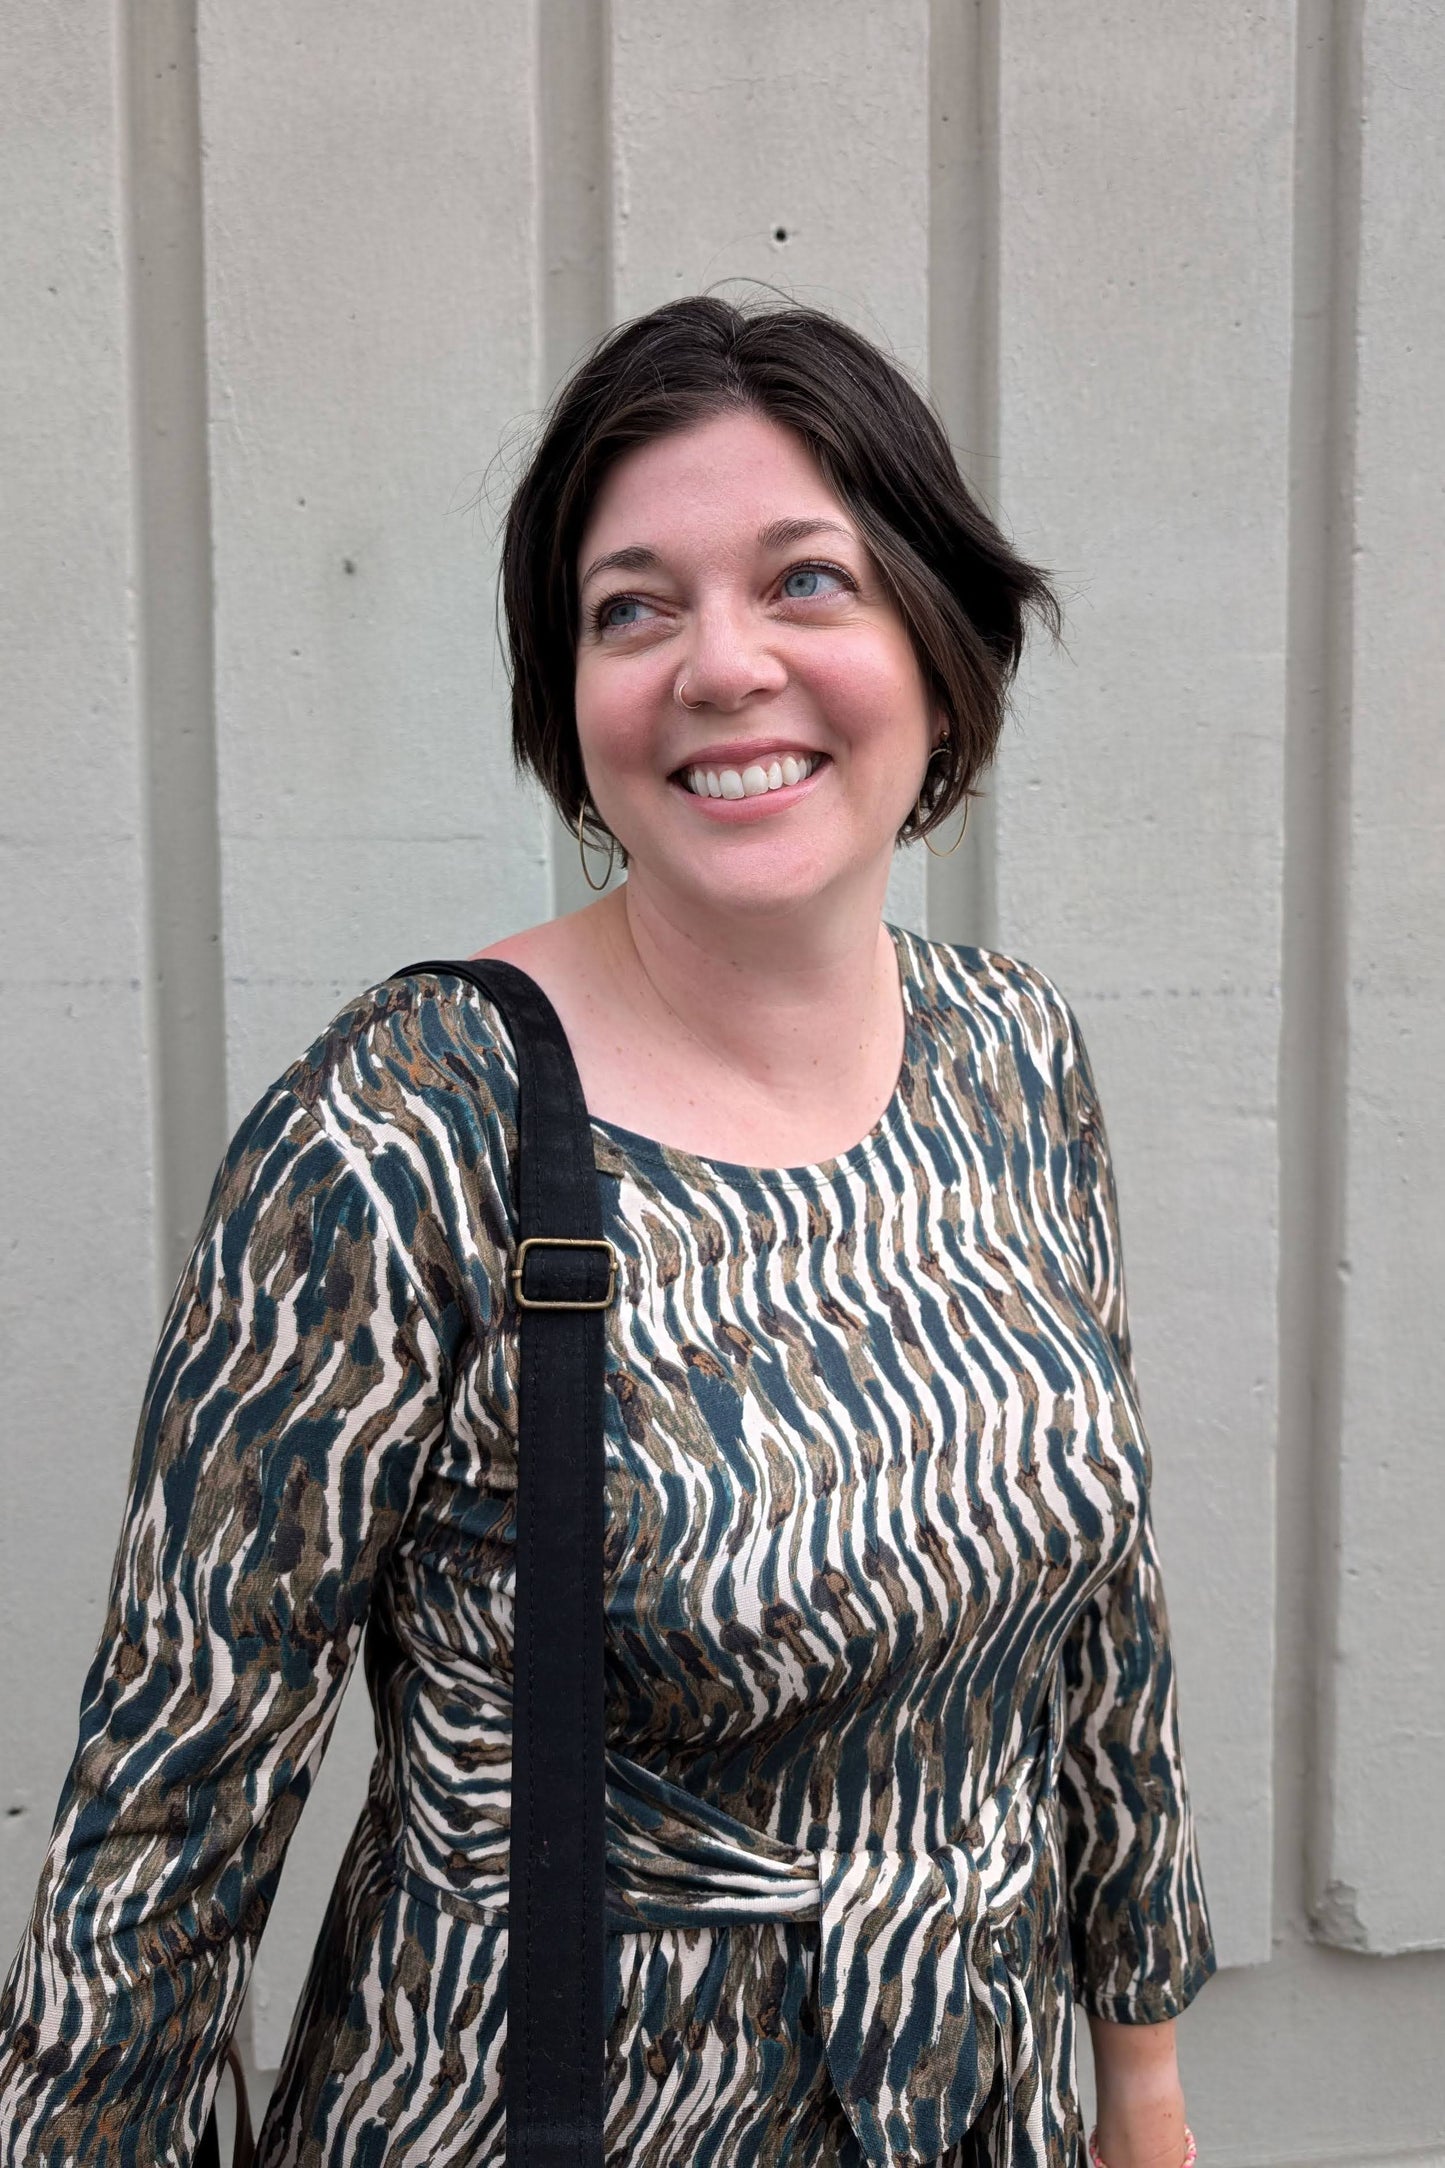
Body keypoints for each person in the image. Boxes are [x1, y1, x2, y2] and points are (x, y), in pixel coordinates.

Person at [0, 295, 1214, 2167]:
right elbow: (169, 1810)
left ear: (937, 636)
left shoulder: (1009, 1051)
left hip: (988, 2115)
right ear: (566, 703)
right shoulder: (408, 1125)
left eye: (805, 580)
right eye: (630, 607)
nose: (720, 666)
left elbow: (1101, 1609)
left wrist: (1138, 2078)